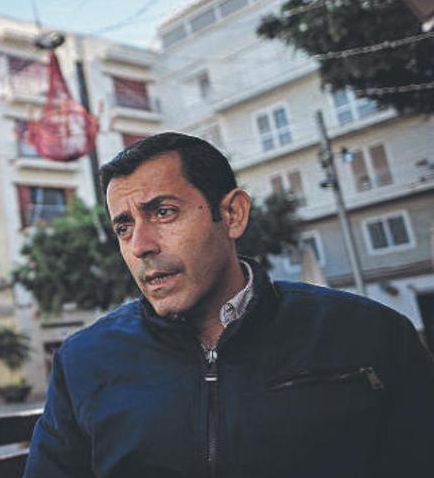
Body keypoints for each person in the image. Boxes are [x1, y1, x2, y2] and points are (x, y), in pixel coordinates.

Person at [24, 132, 434, 477]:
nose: (141, 246)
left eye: (164, 212)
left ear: (233, 214)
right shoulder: (82, 363)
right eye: (124, 226)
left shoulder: (369, 335)